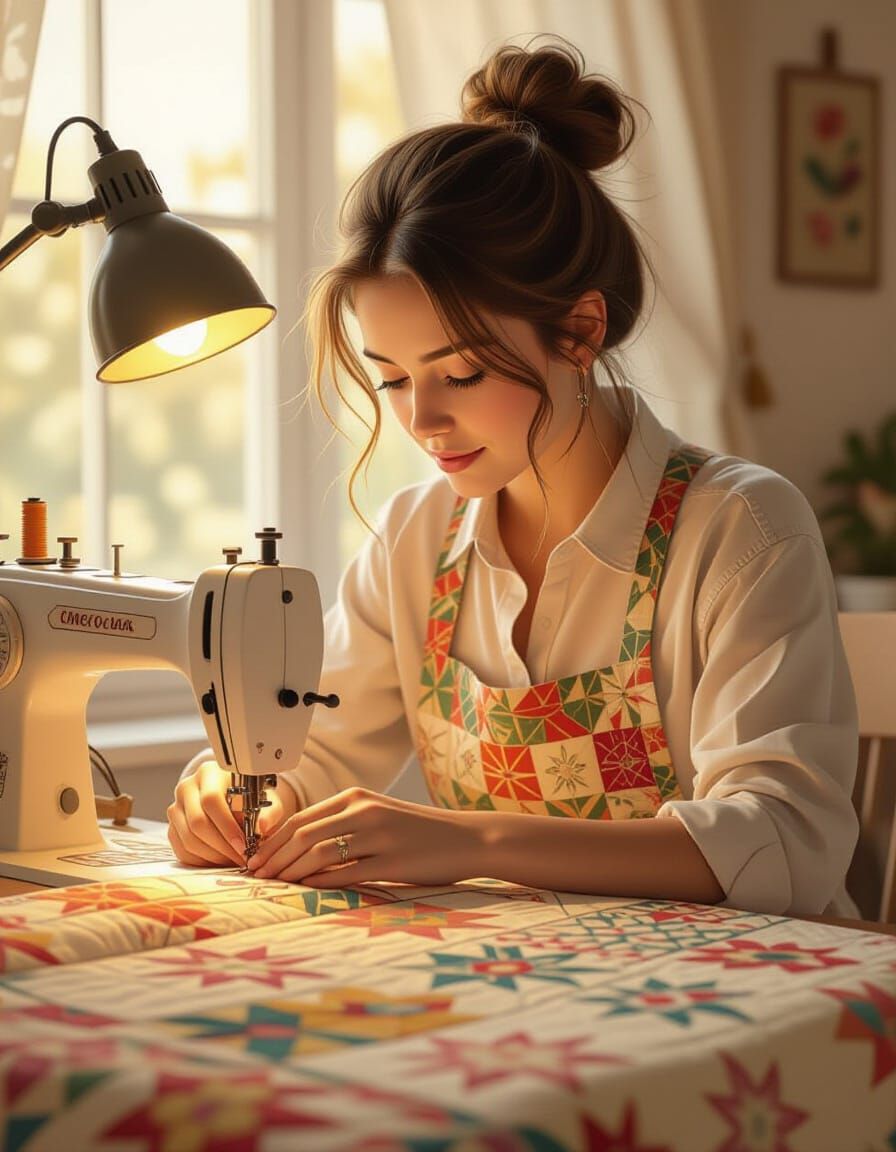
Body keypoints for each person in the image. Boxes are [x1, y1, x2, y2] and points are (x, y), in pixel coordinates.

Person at [168, 38, 859, 918]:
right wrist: (227, 795)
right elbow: (314, 750)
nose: (420, 420)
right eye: (392, 377)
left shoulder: (742, 528)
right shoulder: (417, 540)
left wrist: (470, 843)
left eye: (459, 374)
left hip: (774, 1007)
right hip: (537, 995)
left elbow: (782, 837)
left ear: (578, 331)